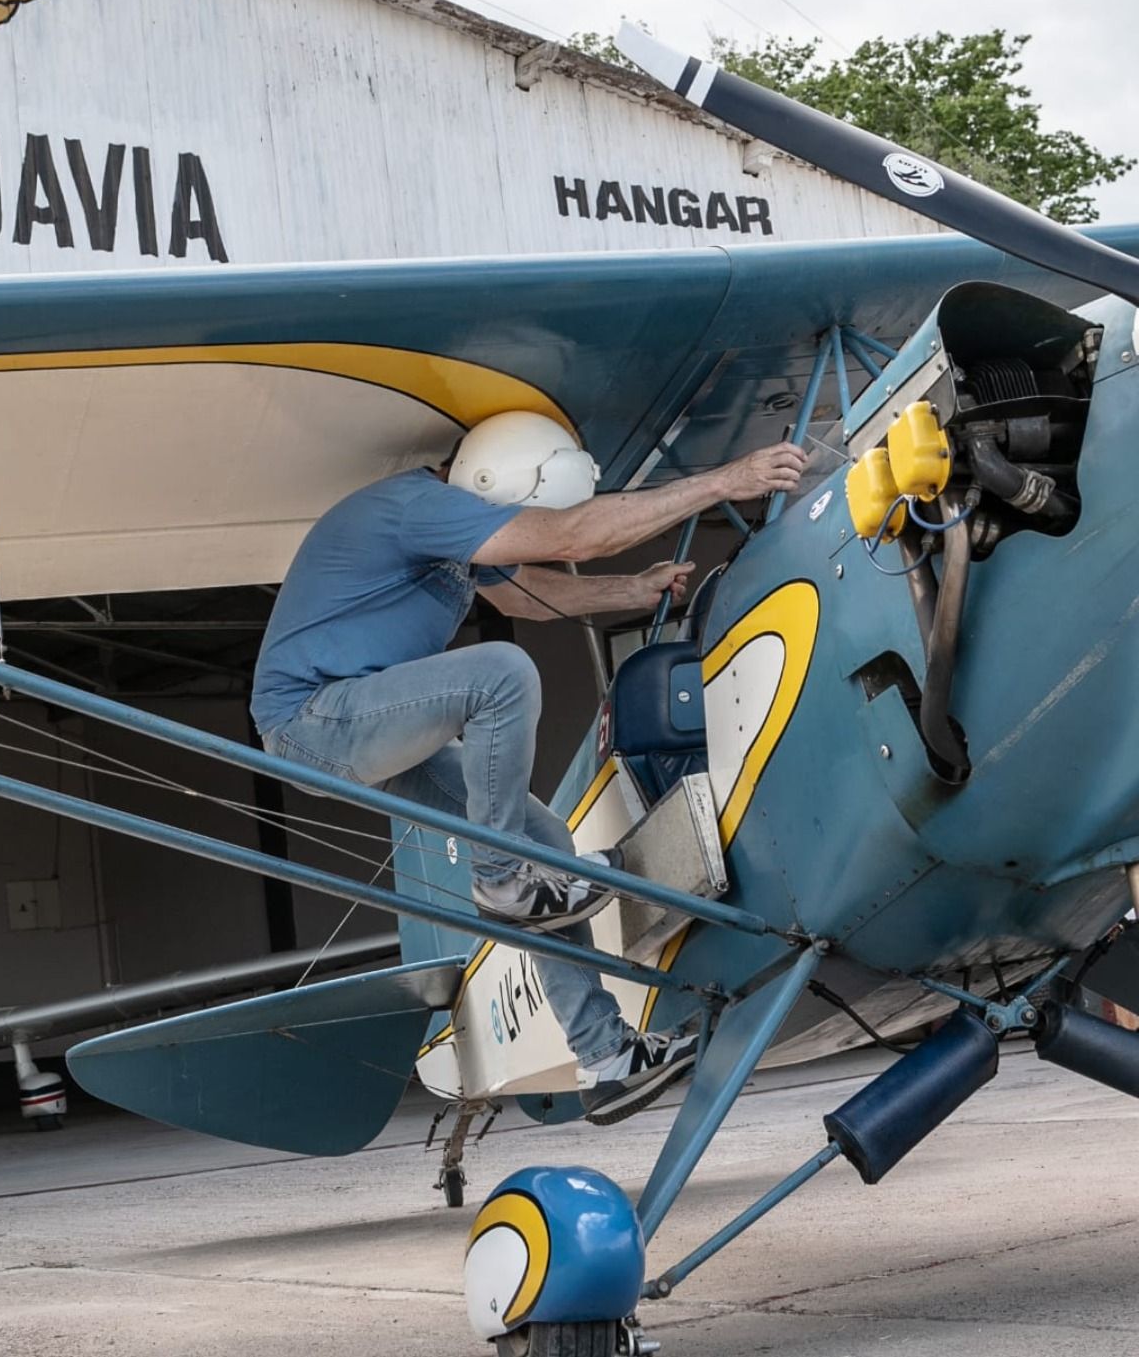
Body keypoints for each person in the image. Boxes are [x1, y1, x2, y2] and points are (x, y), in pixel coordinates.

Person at [251, 412, 806, 1123]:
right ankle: (500, 879)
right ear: (492, 485)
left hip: (363, 717)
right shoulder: (417, 507)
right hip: (311, 719)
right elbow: (573, 537)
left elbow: (534, 593)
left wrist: (632, 591)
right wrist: (732, 479)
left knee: (545, 842)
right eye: (520, 512)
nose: (522, 524)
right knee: (502, 675)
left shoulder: (453, 531)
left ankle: (606, 1055)